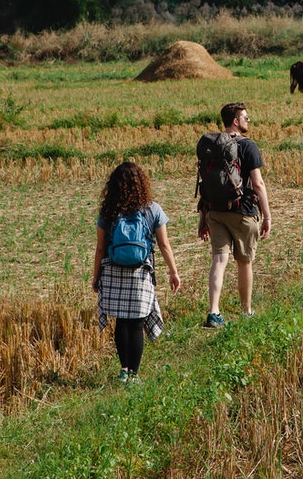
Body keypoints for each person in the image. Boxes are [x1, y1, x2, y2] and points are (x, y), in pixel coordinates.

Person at [91, 161, 181, 382]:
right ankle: (135, 374)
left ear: (113, 185)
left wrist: (96, 276)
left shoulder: (108, 211)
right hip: (141, 272)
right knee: (137, 323)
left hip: (113, 271)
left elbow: (101, 247)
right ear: (142, 184)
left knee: (121, 321)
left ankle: (123, 370)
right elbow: (164, 245)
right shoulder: (153, 209)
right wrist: (173, 271)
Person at [199, 102, 271, 328]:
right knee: (244, 262)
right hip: (242, 211)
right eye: (245, 118)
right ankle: (246, 311)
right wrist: (267, 215)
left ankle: (213, 312)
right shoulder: (248, 146)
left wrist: (203, 218)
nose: (248, 121)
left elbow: (206, 183)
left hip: (215, 212)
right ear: (235, 121)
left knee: (219, 261)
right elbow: (258, 184)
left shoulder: (212, 146)